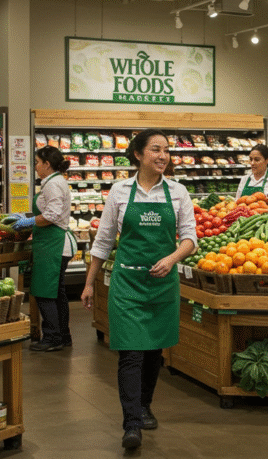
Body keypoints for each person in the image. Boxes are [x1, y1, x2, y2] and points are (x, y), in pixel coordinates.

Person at [81, 129, 197, 450]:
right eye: (155, 149)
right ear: (138, 154)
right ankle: (131, 423)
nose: (163, 156)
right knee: (130, 352)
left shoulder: (178, 192)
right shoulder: (119, 192)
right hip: (127, 284)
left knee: (153, 352)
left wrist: (172, 258)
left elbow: (190, 239)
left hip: (162, 285)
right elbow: (103, 241)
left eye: (166, 150)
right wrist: (89, 283)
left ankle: (145, 404)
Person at [14, 146, 77, 352]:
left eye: (37, 162)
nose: (36, 167)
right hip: (54, 244)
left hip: (54, 245)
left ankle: (51, 338)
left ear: (46, 164)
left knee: (45, 292)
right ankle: (63, 335)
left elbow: (52, 215)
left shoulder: (52, 184)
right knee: (57, 293)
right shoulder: (54, 182)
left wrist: (28, 221)